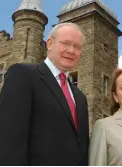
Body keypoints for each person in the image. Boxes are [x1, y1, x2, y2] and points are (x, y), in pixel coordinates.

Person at [0, 23, 89, 165]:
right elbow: (8, 138)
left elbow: (82, 149)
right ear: (49, 44)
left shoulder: (80, 97)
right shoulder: (23, 75)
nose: (71, 50)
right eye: (65, 43)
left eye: (77, 47)